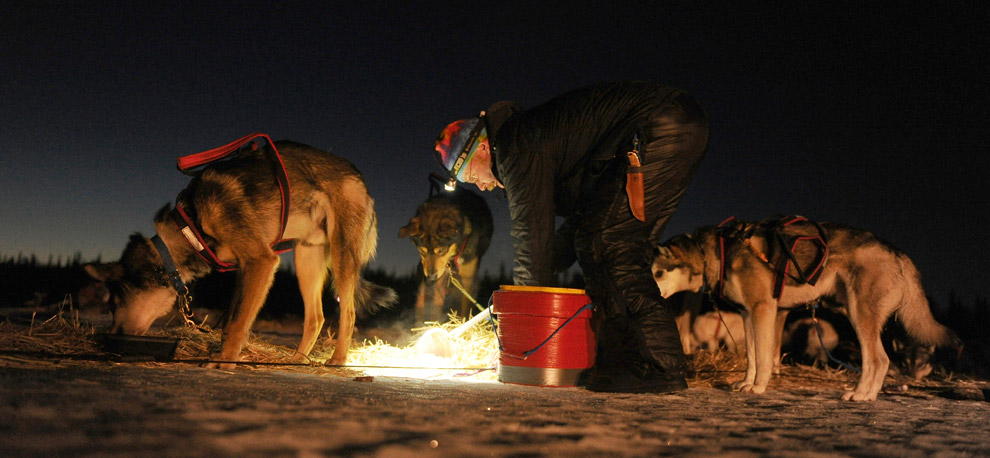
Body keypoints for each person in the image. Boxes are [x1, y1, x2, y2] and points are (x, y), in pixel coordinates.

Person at [433, 81, 709, 393]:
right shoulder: (525, 141)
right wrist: (551, 262)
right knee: (602, 241)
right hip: (673, 124)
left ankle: (658, 365)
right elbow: (575, 228)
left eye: (473, 177)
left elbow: (531, 237)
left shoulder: (515, 146)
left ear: (482, 148)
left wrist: (526, 330)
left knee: (607, 243)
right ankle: (624, 361)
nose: (481, 186)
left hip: (656, 128)